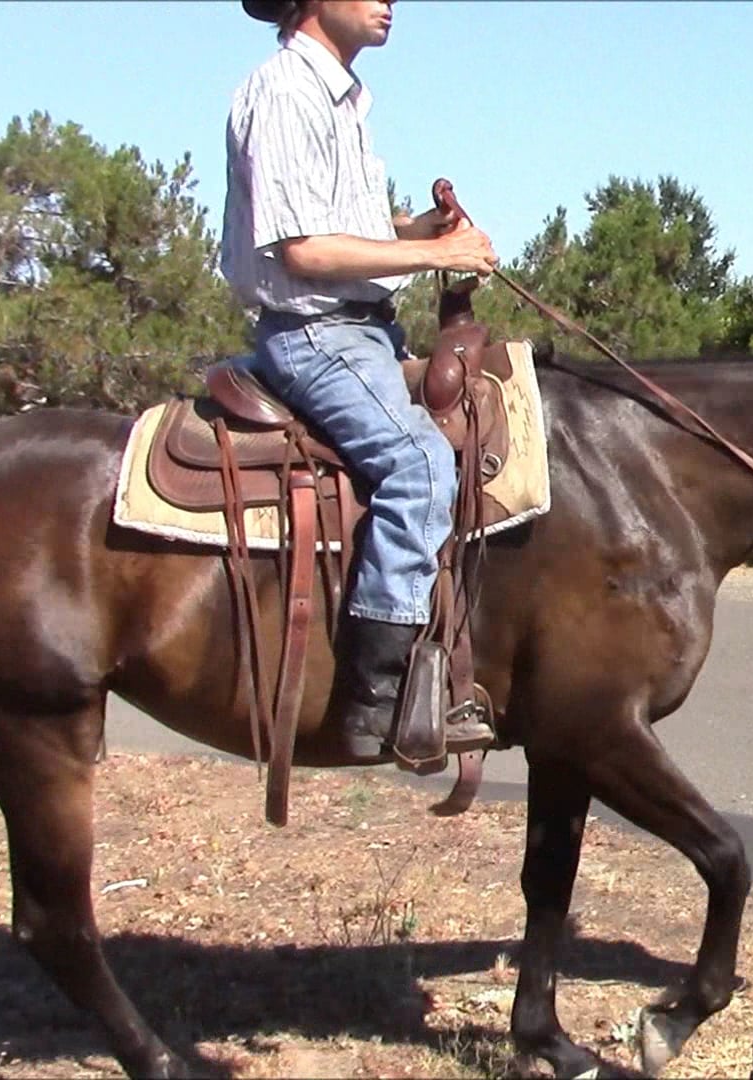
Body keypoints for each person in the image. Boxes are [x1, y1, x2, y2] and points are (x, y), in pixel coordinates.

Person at [223, 0, 499, 760]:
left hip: (366, 332)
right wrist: (437, 257)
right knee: (420, 465)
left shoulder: (340, 97)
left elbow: (343, 229)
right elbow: (305, 252)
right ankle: (373, 702)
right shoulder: (286, 91)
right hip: (316, 335)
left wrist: (415, 231)